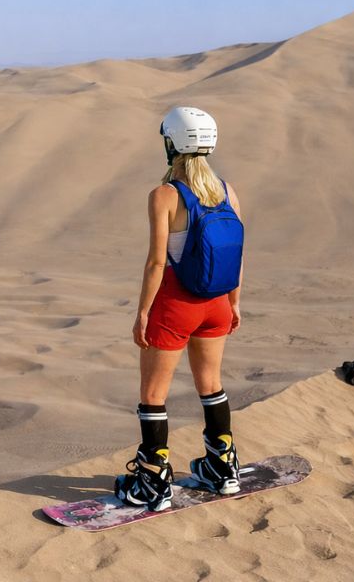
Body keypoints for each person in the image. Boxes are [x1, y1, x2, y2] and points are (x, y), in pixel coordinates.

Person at [114, 106, 244, 512]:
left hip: (176, 304)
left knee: (153, 394)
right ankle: (222, 467)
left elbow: (156, 262)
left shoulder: (165, 195)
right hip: (217, 304)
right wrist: (234, 303)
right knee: (211, 385)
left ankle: (153, 480)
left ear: (171, 143)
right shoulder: (226, 189)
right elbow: (237, 252)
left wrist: (142, 314)